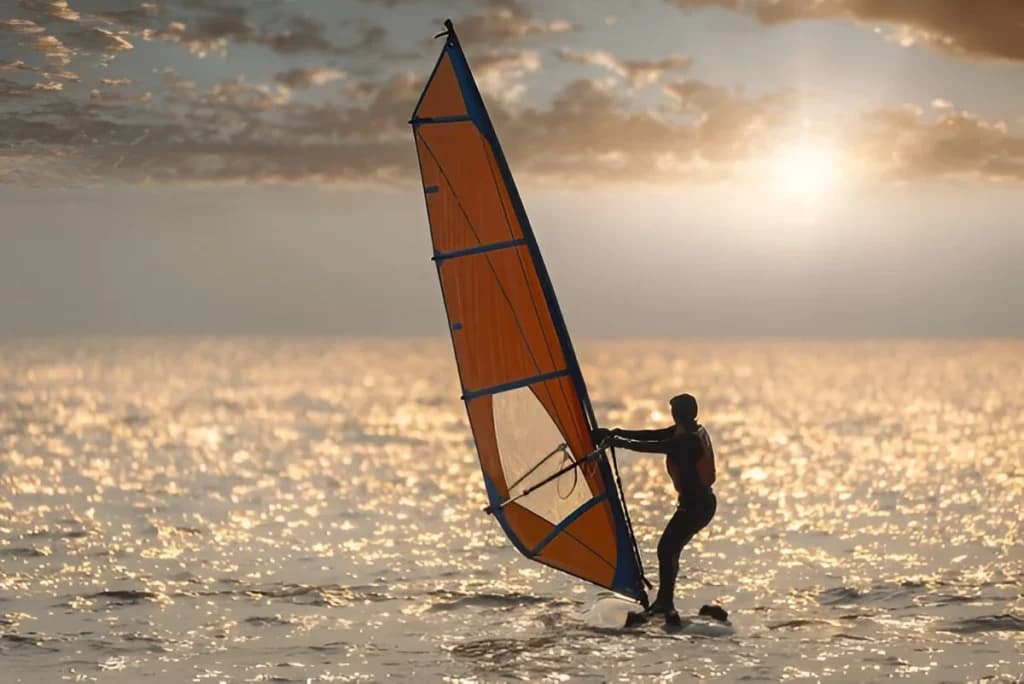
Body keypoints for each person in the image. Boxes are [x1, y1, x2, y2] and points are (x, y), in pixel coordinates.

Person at [593, 393, 717, 625]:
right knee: (669, 550)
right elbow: (652, 435)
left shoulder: (687, 441)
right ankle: (664, 603)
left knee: (666, 549)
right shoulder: (686, 430)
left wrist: (617, 442)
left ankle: (664, 604)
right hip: (698, 504)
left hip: (697, 507)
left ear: (676, 413)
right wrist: (616, 432)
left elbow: (656, 446)